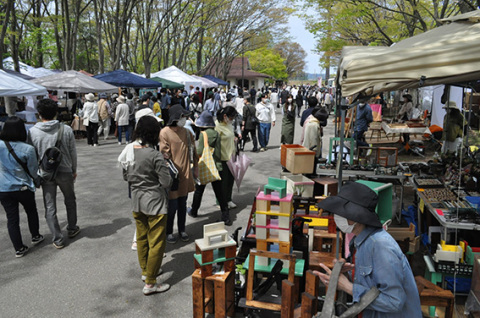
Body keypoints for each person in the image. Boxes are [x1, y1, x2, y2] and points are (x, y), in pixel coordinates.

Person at [314, 182, 422, 317]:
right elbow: (370, 286)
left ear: (356, 217)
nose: (337, 217)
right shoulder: (360, 241)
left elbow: (394, 301)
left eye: (341, 213)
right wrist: (341, 275)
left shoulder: (380, 246)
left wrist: (348, 287)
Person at [118, 116, 171, 295]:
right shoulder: (154, 155)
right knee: (156, 242)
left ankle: (146, 272)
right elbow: (166, 181)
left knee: (142, 238)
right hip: (155, 202)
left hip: (137, 200)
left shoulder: (129, 150)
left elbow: (126, 177)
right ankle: (150, 282)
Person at [28, 98, 79, 249]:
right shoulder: (66, 130)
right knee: (70, 200)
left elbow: (32, 155)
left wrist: (35, 174)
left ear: (39, 113)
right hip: (65, 171)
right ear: (56, 113)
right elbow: (72, 152)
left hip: (45, 173)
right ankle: (71, 228)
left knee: (49, 206)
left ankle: (57, 238)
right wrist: (74, 169)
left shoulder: (32, 132)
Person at [0, 117, 44, 258]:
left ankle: (19, 248)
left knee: (12, 218)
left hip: (4, 188)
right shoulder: (28, 149)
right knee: (31, 211)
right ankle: (35, 235)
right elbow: (33, 170)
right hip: (23, 187)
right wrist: (38, 182)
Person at [160, 105, 198, 244]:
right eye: (183, 116)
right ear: (175, 118)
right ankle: (169, 231)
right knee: (172, 206)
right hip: (173, 175)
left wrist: (196, 167)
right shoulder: (164, 132)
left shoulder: (187, 132)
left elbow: (194, 150)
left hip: (186, 173)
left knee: (183, 204)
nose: (185, 119)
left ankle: (182, 229)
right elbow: (163, 154)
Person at [187, 111, 231, 225]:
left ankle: (194, 211)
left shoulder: (204, 134)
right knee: (220, 193)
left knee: (199, 190)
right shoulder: (216, 133)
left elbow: (200, 151)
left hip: (206, 166)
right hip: (216, 166)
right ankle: (225, 215)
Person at [215, 106, 238, 210]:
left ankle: (228, 199)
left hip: (232, 156)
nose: (232, 120)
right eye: (231, 117)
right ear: (225, 116)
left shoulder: (229, 125)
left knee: (230, 180)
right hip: (223, 158)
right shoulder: (217, 126)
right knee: (223, 182)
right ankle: (221, 201)